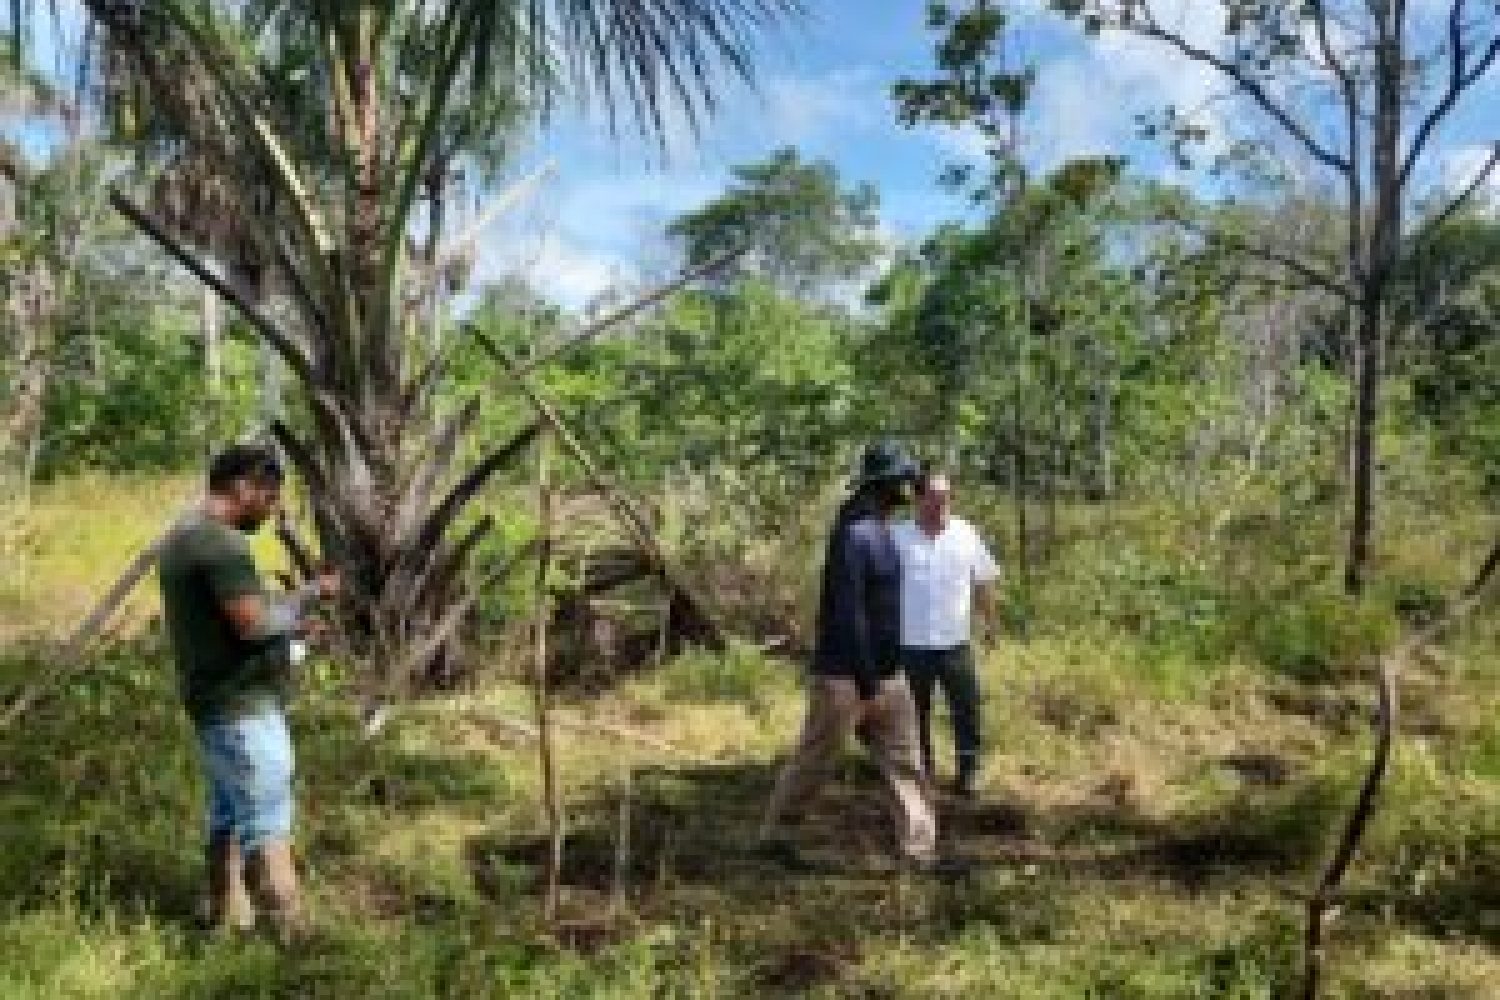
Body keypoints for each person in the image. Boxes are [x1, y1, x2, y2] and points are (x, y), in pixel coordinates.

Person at [156, 444, 338, 940]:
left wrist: (299, 608)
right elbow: (253, 622)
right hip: (241, 708)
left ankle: (224, 917)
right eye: (270, 494)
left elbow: (242, 615)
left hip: (215, 701)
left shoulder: (184, 535)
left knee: (229, 813)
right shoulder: (222, 544)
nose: (273, 506)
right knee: (267, 818)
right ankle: (290, 935)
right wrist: (300, 611)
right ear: (242, 487)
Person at [757, 441, 939, 867]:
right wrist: (864, 679)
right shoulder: (854, 537)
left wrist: (884, 675)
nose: (910, 488)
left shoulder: (880, 530)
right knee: (816, 758)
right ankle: (776, 836)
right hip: (845, 678)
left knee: (907, 765)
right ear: (883, 484)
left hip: (887, 676)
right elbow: (848, 611)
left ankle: (919, 852)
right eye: (904, 481)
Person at [892, 468, 999, 798]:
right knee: (914, 712)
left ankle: (969, 773)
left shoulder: (966, 533)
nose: (942, 506)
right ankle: (922, 773)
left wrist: (990, 623)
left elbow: (983, 580)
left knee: (966, 707)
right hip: (911, 643)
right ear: (918, 499)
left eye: (947, 499)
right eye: (935, 499)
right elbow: (881, 588)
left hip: (955, 642)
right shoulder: (898, 537)